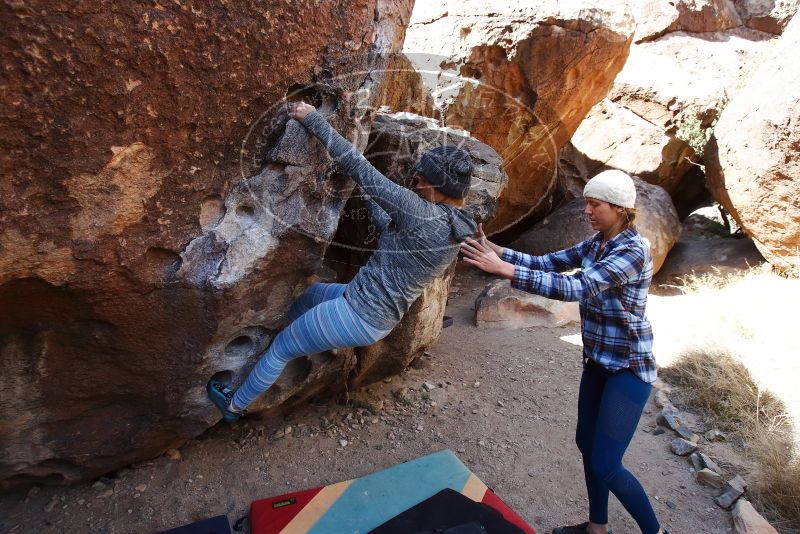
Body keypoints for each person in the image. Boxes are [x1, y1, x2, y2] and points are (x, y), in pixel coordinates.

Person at [207, 101, 477, 422]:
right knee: (305, 298)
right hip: (367, 309)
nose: (416, 181)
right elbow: (386, 227)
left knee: (283, 348)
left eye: (423, 178)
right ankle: (265, 353)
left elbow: (359, 166)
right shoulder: (452, 225)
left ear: (441, 187)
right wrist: (361, 193)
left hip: (356, 315)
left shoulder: (419, 213)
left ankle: (234, 406)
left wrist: (314, 120)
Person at [460, 170, 667, 534]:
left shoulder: (632, 252)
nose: (586, 210)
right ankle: (597, 528)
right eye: (587, 202)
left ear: (619, 209)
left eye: (595, 204)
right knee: (586, 444)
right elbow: (550, 262)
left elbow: (576, 287)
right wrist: (496, 250)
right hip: (598, 362)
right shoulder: (598, 242)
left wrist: (503, 269)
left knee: (606, 463)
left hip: (628, 368)